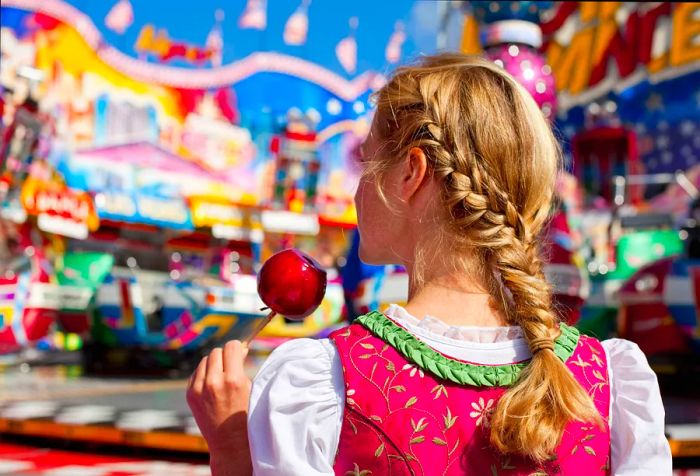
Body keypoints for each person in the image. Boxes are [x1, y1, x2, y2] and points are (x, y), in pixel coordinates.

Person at [186, 54, 671, 475]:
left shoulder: (327, 378)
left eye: (366, 163)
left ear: (411, 174)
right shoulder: (609, 380)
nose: (356, 189)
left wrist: (232, 448)